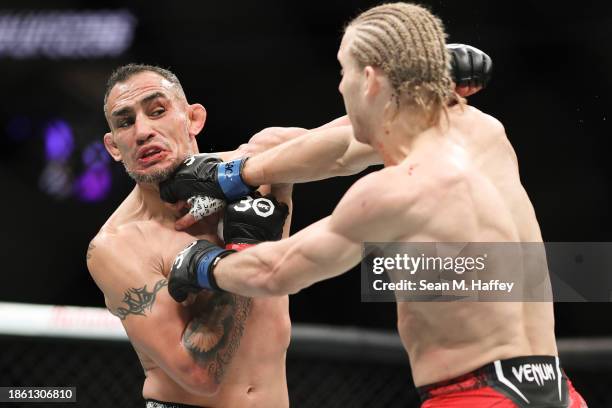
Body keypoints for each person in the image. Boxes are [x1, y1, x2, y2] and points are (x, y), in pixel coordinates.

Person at [160, 3, 587, 407]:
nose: (339, 85)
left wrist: (201, 263)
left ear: (369, 80)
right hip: (559, 390)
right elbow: (343, 147)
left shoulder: (397, 190)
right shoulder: (484, 131)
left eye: (344, 71)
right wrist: (234, 174)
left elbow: (275, 271)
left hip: (476, 397)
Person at [87, 45, 490, 407]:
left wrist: (420, 83)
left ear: (193, 118)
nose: (142, 131)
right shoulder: (117, 247)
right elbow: (199, 375)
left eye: (157, 111)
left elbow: (353, 144)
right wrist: (245, 245)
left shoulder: (260, 164)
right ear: (113, 146)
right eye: (125, 122)